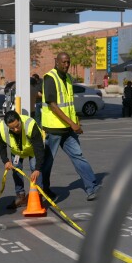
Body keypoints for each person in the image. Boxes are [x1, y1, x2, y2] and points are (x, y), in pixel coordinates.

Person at [41, 52, 101, 201]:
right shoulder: (50, 77)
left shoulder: (68, 78)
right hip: (53, 129)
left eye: (68, 62)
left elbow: (69, 104)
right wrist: (72, 123)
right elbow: (53, 106)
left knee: (78, 156)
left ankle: (92, 187)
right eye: (63, 62)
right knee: (47, 162)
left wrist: (76, 121)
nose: (66, 65)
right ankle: (43, 191)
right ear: (56, 62)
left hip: (68, 130)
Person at [0, 110, 45, 209]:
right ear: (7, 125)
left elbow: (39, 147)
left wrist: (37, 168)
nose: (15, 129)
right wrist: (5, 161)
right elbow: (1, 145)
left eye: (17, 126)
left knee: (35, 171)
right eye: (12, 128)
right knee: (16, 170)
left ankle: (38, 196)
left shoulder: (30, 124)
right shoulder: (2, 127)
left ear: (20, 120)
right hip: (17, 152)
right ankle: (20, 196)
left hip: (33, 150)